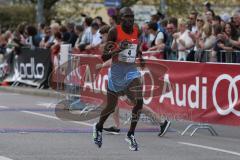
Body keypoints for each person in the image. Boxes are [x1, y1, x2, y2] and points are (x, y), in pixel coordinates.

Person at [92, 7, 145, 151]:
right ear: (121, 19)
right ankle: (98, 127)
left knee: (139, 102)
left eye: (132, 16)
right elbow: (104, 56)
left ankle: (130, 134)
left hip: (131, 70)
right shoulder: (114, 31)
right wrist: (118, 49)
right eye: (127, 17)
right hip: (117, 71)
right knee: (110, 107)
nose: (130, 19)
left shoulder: (136, 30)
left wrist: (140, 55)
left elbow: (136, 45)